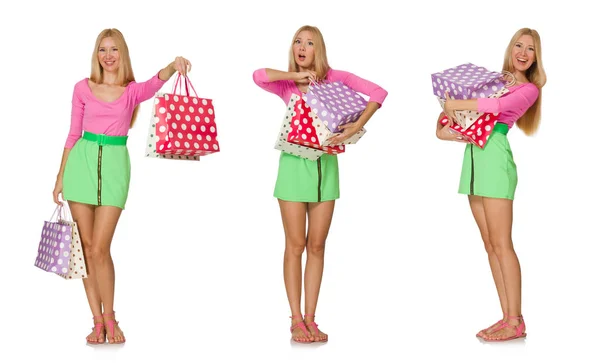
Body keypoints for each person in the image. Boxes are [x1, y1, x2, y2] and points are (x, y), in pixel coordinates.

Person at [52, 28, 192, 344]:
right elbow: (73, 134)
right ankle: (97, 322)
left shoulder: (131, 92)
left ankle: (112, 317)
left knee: (101, 247)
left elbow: (154, 83)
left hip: (115, 169)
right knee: (86, 250)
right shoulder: (82, 88)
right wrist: (60, 176)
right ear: (96, 54)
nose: (108, 55)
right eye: (103, 49)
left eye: (114, 49)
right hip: (80, 168)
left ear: (122, 54)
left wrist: (174, 65)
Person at [253, 25, 388, 343]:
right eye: (297, 42)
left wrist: (357, 124)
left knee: (316, 246)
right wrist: (295, 77)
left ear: (319, 49)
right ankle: (295, 320)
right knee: (295, 245)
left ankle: (312, 319)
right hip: (293, 169)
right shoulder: (287, 84)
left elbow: (379, 93)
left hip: (327, 169)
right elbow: (258, 75)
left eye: (309, 43)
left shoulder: (336, 78)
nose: (302, 47)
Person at [436, 28, 546, 342]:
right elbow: (448, 120)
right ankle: (507, 316)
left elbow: (490, 110)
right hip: (473, 160)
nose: (523, 53)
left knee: (502, 244)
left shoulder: (529, 90)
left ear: (537, 57)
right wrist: (447, 117)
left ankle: (516, 321)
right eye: (518, 46)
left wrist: (455, 104)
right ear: (510, 49)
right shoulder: (494, 82)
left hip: (495, 160)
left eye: (531, 49)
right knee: (489, 245)